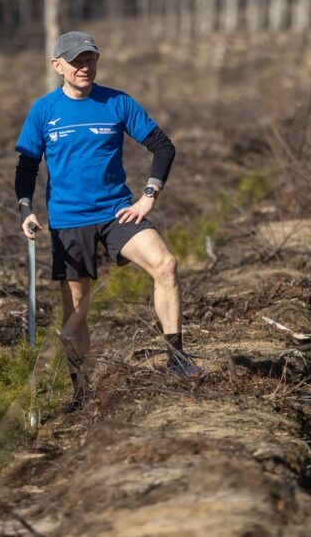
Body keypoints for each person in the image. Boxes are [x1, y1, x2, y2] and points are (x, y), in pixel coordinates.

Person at [14, 31, 202, 407]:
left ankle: (177, 358)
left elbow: (163, 146)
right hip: (68, 220)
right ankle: (81, 393)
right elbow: (27, 165)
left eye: (90, 60)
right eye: (76, 61)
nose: (85, 67)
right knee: (77, 309)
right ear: (57, 66)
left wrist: (149, 195)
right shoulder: (44, 111)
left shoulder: (116, 102)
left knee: (166, 264)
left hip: (117, 212)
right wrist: (26, 208)